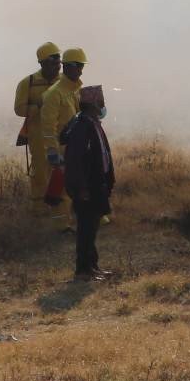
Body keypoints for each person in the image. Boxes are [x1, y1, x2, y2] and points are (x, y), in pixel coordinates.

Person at [61, 84, 115, 280]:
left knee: (91, 228)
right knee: (86, 229)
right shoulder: (82, 126)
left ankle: (92, 266)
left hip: (95, 185)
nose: (103, 106)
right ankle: (83, 270)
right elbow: (75, 160)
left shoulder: (91, 123)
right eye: (101, 102)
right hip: (87, 187)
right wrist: (82, 188)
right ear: (93, 103)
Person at [40, 47, 89, 229]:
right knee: (60, 187)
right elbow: (48, 127)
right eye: (78, 66)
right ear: (67, 67)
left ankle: (85, 217)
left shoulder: (76, 90)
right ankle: (61, 225)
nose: (81, 70)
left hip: (77, 146)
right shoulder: (54, 94)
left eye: (82, 66)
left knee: (81, 183)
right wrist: (52, 151)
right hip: (62, 148)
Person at [14, 42, 63, 216]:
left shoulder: (64, 82)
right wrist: (39, 105)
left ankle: (60, 207)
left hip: (62, 134)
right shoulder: (28, 83)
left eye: (58, 63)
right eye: (52, 63)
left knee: (62, 170)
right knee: (41, 170)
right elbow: (19, 109)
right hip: (38, 136)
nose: (56, 67)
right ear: (42, 63)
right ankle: (39, 208)